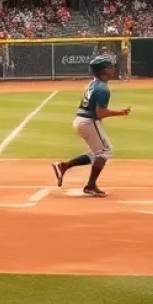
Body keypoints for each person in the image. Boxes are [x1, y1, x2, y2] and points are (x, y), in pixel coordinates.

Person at [52, 54, 131, 197]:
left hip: (81, 120)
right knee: (106, 151)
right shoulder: (102, 89)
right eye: (109, 67)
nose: (112, 69)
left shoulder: (93, 83)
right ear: (103, 71)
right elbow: (100, 113)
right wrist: (121, 113)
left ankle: (63, 166)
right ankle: (90, 186)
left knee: (98, 153)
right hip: (89, 122)